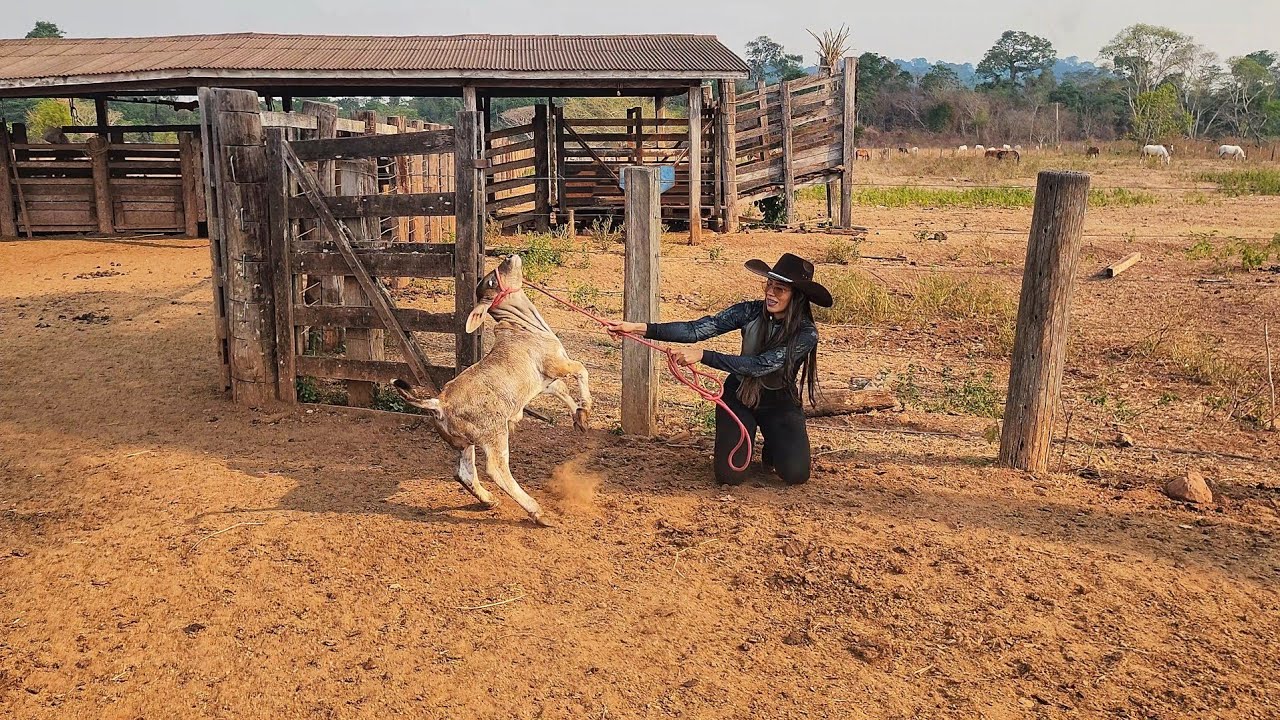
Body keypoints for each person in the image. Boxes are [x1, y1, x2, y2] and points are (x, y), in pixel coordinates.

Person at [604, 253, 831, 486]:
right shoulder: (749, 311)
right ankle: (753, 438)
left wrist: (703, 355)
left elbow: (761, 365)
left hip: (780, 402)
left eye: (780, 289)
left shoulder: (806, 334)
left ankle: (773, 444)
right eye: (769, 285)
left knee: (796, 474)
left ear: (797, 297)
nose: (770, 293)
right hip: (739, 395)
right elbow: (697, 329)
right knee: (729, 477)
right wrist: (636, 328)